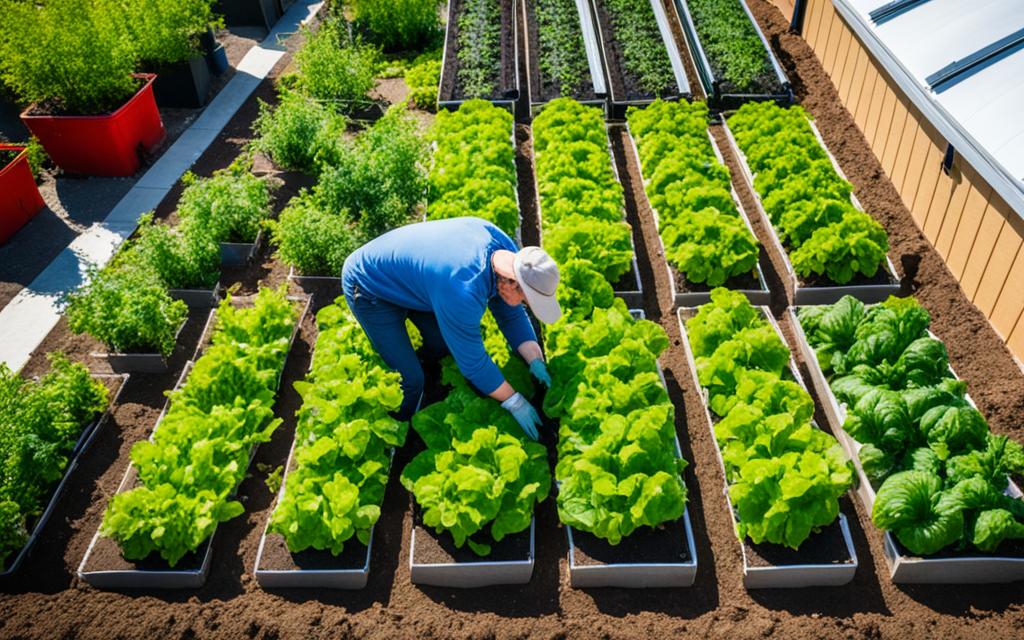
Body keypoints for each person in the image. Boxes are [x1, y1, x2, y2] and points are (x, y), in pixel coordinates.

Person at [341, 216, 561, 440]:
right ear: (512, 282)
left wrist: (535, 359)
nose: (525, 306)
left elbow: (511, 314)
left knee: (443, 344)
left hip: (420, 281)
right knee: (410, 380)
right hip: (369, 286)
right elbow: (473, 364)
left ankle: (423, 361)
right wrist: (514, 402)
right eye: (526, 301)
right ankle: (402, 428)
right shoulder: (463, 289)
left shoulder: (509, 256)